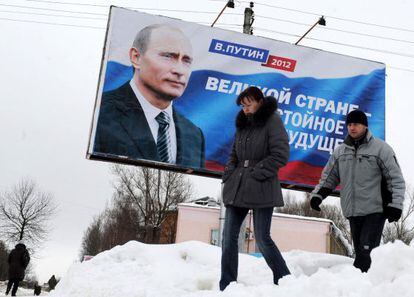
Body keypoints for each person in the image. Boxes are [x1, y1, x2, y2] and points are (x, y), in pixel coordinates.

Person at [94, 24, 205, 168]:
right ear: (136, 57)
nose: (179, 70)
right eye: (168, 56)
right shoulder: (100, 112)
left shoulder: (195, 135)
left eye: (186, 60)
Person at [310, 109, 405, 272]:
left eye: (356, 124)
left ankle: (359, 286)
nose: (352, 128)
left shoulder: (381, 149)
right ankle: (368, 285)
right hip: (352, 211)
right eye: (349, 124)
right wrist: (317, 195)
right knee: (361, 252)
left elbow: (395, 179)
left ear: (365, 126)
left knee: (366, 254)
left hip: (375, 210)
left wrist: (396, 205)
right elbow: (329, 177)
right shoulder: (340, 151)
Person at [219, 86, 291, 291]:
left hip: (262, 186)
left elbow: (281, 154)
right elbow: (234, 155)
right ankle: (227, 285)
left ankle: (285, 279)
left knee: (262, 237)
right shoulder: (242, 125)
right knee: (228, 237)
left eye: (249, 104)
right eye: (243, 105)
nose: (245, 109)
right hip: (238, 187)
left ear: (259, 101)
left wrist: (255, 174)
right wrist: (230, 174)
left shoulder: (273, 120)